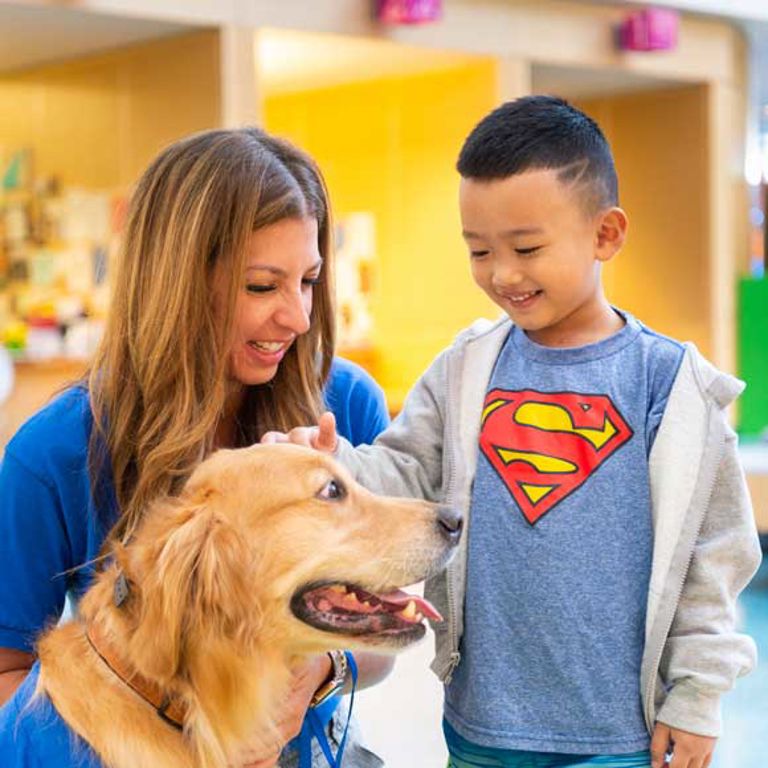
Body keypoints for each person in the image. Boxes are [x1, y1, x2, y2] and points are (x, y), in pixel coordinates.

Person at [263, 96, 762, 768]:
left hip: (622, 735)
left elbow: (713, 557)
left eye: (527, 248)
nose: (502, 274)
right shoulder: (467, 369)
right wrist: (335, 467)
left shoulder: (670, 386)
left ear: (605, 235)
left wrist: (696, 697)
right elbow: (405, 472)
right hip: (483, 726)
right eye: (479, 251)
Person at [0, 127, 390, 768]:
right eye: (263, 286)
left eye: (310, 280)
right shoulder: (53, 454)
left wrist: (321, 668)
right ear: (175, 282)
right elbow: (9, 674)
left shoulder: (345, 405)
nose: (296, 317)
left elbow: (380, 632)